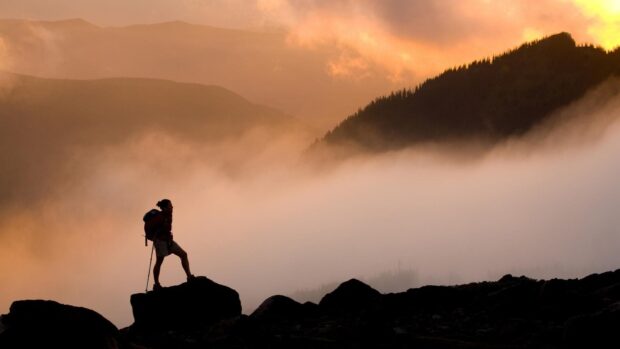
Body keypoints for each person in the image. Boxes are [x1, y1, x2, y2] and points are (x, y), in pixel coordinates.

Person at [151, 199, 195, 290]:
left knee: (183, 254)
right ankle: (156, 284)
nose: (172, 207)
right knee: (159, 262)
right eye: (170, 205)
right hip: (160, 242)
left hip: (168, 241)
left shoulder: (169, 214)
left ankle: (189, 276)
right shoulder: (160, 217)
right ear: (165, 208)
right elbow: (158, 231)